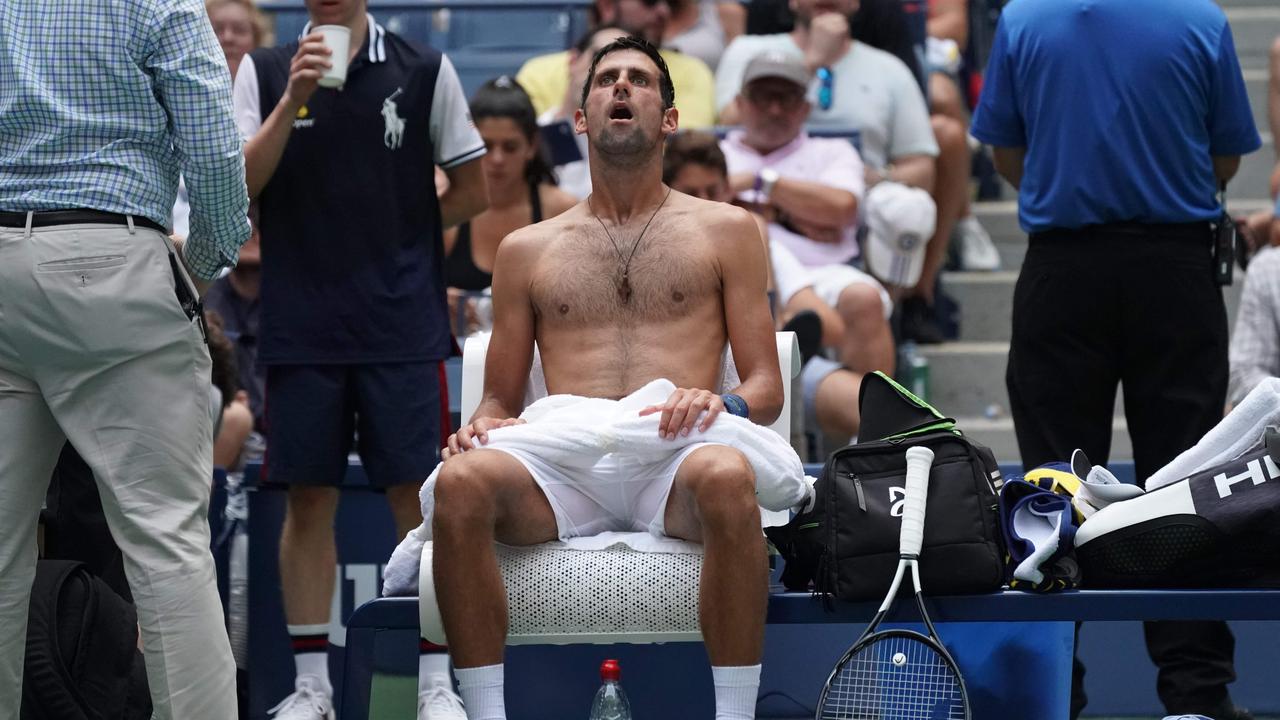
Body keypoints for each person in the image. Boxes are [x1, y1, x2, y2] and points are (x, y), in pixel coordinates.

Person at [431, 36, 808, 720]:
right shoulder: (525, 250)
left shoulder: (728, 231)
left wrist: (717, 400)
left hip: (676, 456)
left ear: (668, 117)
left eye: (639, 80)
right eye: (607, 80)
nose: (622, 88)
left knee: (726, 474)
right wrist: (481, 424)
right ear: (580, 118)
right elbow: (500, 397)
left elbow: (764, 386)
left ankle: (734, 715)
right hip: (564, 467)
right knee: (459, 483)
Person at [970, 0, 1261, 717]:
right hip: (1174, 270)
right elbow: (1225, 155)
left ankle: (1053, 694)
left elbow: (1008, 152)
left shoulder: (1023, 19)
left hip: (1063, 272)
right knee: (1191, 484)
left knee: (1048, 488)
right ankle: (1196, 696)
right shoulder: (1201, 20)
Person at [233, 0, 488, 716]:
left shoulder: (425, 68)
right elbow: (239, 187)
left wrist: (398, 220)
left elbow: (474, 188)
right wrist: (294, 101)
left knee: (422, 500)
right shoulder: (264, 69)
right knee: (308, 500)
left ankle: (437, 682)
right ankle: (311, 686)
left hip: (400, 323)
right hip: (301, 323)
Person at [0, 0, 250, 717]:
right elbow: (213, 154)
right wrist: (197, 270)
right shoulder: (158, 0)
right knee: (166, 543)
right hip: (110, 258)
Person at [716, 0, 963, 342]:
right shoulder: (748, 50)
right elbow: (724, 123)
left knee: (905, 208)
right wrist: (812, 61)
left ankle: (914, 299)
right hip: (752, 215)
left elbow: (920, 166)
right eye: (765, 97)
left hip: (851, 217)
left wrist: (872, 180)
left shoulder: (888, 68)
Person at [664, 130, 865, 440]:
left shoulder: (759, 240)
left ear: (728, 189)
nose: (704, 203)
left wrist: (777, 320)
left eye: (712, 190)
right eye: (692, 192)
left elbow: (833, 327)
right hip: (684, 385)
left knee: (871, 407)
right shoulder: (651, 249)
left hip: (772, 372)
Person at [720, 52, 896, 384]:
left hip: (822, 272)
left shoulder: (833, 151)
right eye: (762, 97)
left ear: (805, 107)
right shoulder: (714, 156)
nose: (774, 109)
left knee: (864, 297)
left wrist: (759, 183)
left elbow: (841, 209)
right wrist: (801, 212)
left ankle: (871, 428)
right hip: (738, 273)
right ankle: (789, 342)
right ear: (740, 103)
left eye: (786, 98)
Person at [446, 77, 577, 338]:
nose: (497, 159)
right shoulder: (447, 210)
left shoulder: (564, 212)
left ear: (532, 146)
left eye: (510, 147)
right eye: (486, 146)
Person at [517, 0, 718, 129]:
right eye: (650, 2)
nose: (663, 11)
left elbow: (682, 152)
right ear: (607, 5)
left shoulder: (693, 71)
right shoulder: (538, 71)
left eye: (670, 3)